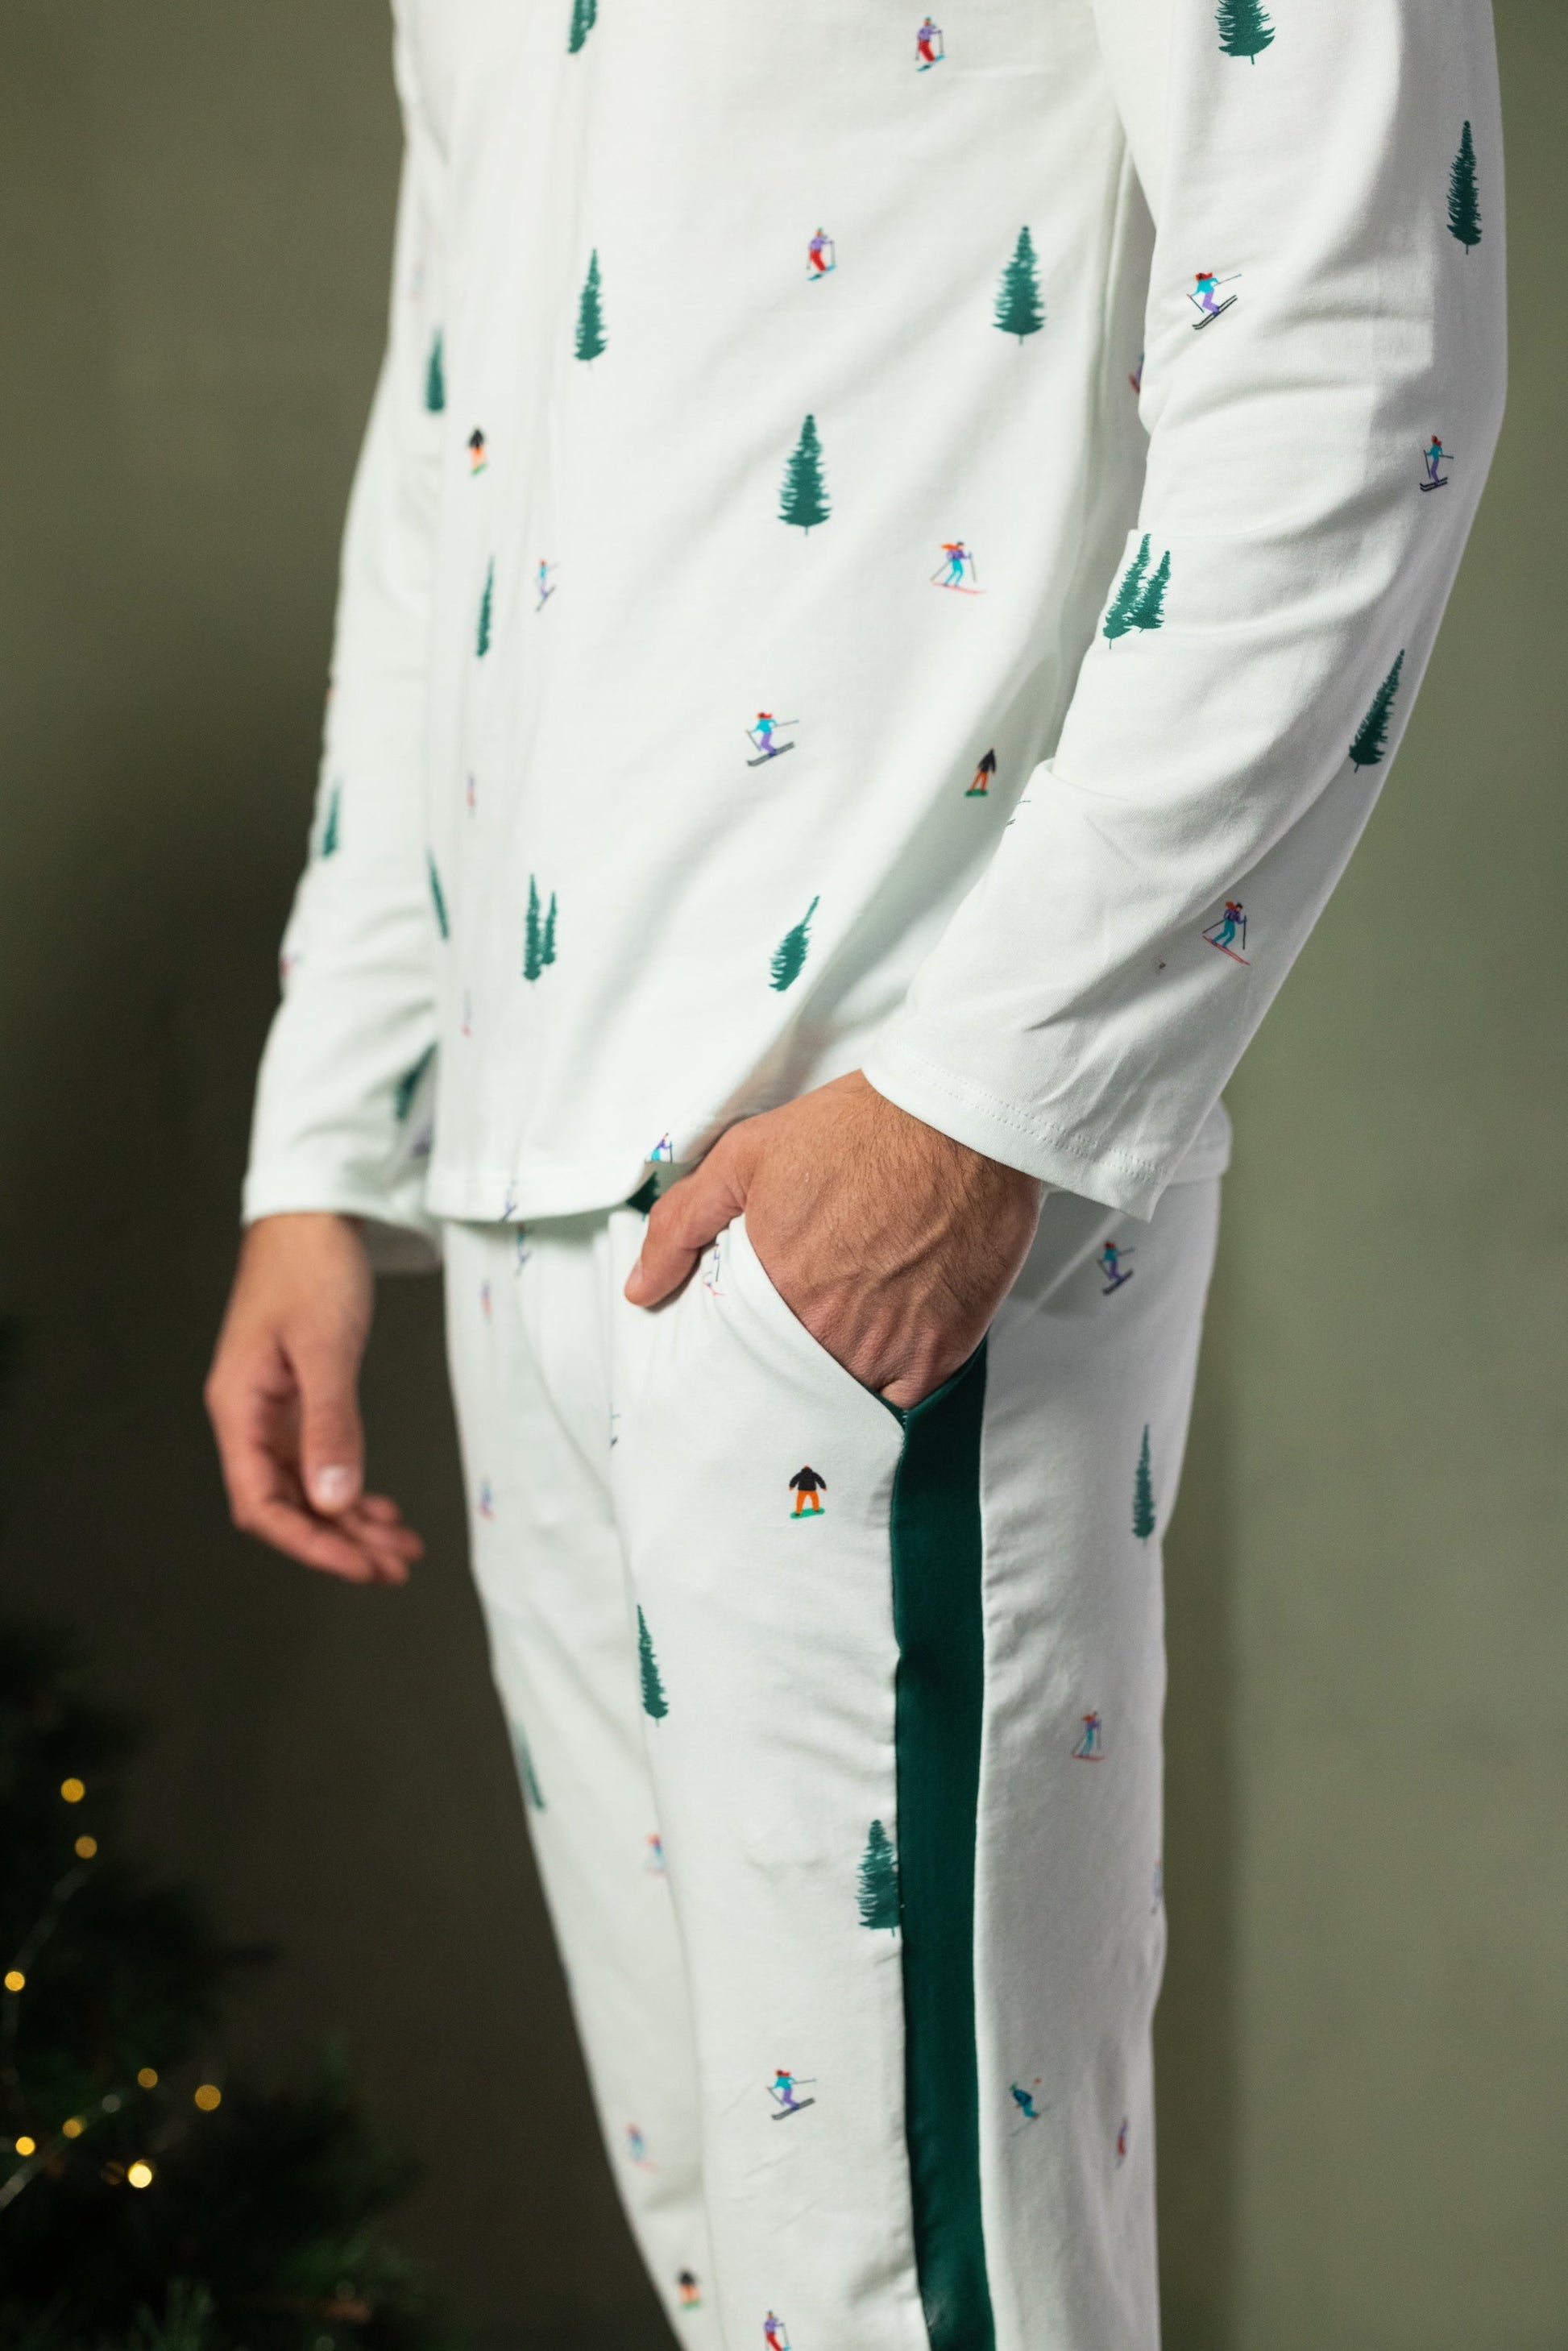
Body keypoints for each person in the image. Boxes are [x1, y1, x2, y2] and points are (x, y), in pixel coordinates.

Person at [205, 4, 1504, 2344]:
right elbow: (449, 447)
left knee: (911, 2295)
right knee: (745, 2274)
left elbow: (1355, 348)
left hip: (857, 1207)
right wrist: (332, 1132)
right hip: (507, 1200)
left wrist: (982, 1103)